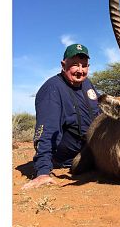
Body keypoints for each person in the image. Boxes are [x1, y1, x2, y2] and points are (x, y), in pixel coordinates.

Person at [22, 44, 101, 189]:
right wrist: (43, 172)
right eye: (75, 65)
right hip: (70, 160)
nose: (80, 70)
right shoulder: (52, 88)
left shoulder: (87, 84)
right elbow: (47, 131)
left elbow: (100, 112)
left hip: (93, 151)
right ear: (63, 65)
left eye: (84, 66)